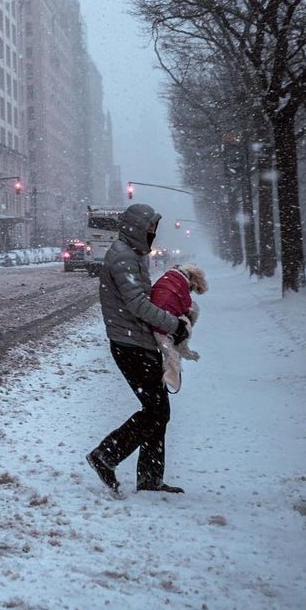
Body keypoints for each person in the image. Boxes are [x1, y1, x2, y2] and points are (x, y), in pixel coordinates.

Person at [87, 202, 191, 495]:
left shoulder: (132, 254)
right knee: (157, 412)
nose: (153, 233)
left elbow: (142, 298)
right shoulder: (123, 257)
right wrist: (173, 325)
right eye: (149, 228)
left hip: (137, 341)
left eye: (154, 228)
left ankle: (149, 478)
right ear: (135, 228)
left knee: (157, 410)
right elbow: (137, 303)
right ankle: (106, 455)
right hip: (129, 343)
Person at [150, 262, 208, 394]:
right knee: (193, 310)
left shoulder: (169, 278)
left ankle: (177, 355)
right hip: (165, 324)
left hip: (155, 322)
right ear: (193, 278)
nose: (191, 290)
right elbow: (186, 308)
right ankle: (182, 348)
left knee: (170, 348)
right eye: (192, 288)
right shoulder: (180, 285)